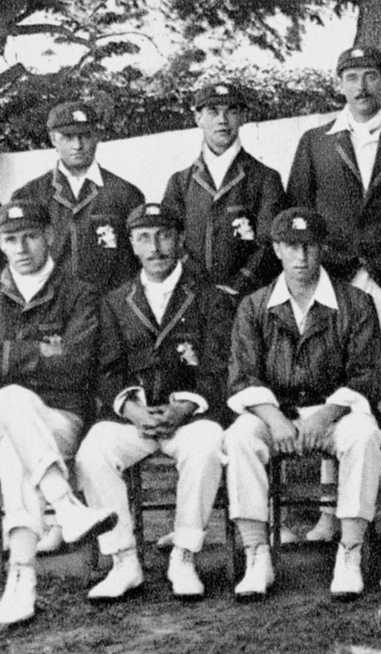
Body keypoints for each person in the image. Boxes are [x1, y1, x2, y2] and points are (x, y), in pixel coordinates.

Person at [223, 207, 381, 602]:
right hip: (275, 412)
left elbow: (367, 374)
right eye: (291, 247)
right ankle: (257, 552)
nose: (301, 258)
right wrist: (276, 420)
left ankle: (349, 551)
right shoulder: (254, 305)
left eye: (309, 247)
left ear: (322, 249)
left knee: (364, 435)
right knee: (240, 436)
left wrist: (326, 415)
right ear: (276, 249)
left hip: (334, 411)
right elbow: (243, 376)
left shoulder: (356, 302)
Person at [75, 203, 233, 602]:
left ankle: (184, 555)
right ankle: (124, 561)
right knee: (93, 450)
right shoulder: (115, 301)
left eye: (164, 235)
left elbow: (217, 367)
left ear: (180, 240)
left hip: (190, 417)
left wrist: (184, 407)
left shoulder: (210, 298)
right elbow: (106, 370)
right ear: (131, 244)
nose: (156, 247)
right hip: (137, 420)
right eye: (144, 237)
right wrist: (131, 409)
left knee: (209, 444)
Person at [0, 200, 116, 627]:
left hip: (62, 417)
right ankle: (65, 506)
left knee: (9, 409)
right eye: (10, 239)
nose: (22, 247)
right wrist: (42, 351)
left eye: (30, 235)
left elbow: (77, 362)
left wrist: (11, 355)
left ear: (49, 235)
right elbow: (55, 357)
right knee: (10, 412)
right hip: (7, 424)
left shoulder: (79, 292)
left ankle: (22, 579)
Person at [286, 45, 381, 321]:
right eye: (352, 77)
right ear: (340, 85)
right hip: (335, 276)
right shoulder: (315, 142)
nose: (362, 87)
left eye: (371, 76)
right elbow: (298, 214)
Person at [161, 82, 286, 297]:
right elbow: (170, 242)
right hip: (194, 298)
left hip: (249, 298)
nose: (222, 120)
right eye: (213, 112)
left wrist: (238, 285)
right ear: (198, 118)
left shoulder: (265, 178)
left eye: (231, 111)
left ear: (243, 117)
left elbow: (271, 243)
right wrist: (201, 286)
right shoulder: (180, 183)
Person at [11, 101, 143, 296]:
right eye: (68, 137)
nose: (78, 145)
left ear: (97, 136)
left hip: (108, 313)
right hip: (51, 312)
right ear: (53, 139)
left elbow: (140, 262)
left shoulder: (125, 194)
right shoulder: (29, 196)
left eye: (85, 136)